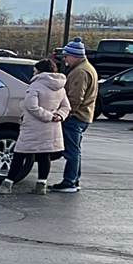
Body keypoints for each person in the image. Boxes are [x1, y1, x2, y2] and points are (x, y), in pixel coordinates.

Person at [0, 58, 70, 194]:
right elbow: (66, 106)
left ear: (39, 71)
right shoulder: (60, 87)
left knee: (20, 153)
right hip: (52, 127)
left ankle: (7, 184)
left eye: (35, 69)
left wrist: (47, 116)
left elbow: (30, 106)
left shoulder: (36, 85)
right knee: (44, 155)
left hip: (34, 126)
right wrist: (58, 116)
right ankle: (41, 185)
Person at [54, 38, 97, 193]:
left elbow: (75, 97)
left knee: (72, 151)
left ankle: (69, 181)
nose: (64, 59)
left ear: (75, 55)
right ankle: (74, 180)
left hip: (76, 116)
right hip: (84, 115)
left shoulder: (80, 72)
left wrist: (66, 113)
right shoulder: (86, 68)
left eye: (66, 56)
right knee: (75, 149)